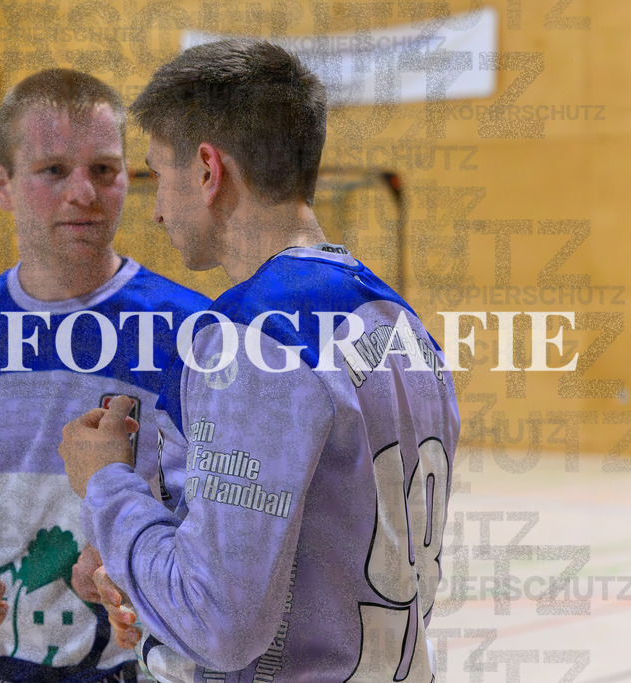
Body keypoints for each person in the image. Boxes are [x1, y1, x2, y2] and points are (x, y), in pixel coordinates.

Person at [59, 40, 460, 682]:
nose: (157, 208)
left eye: (161, 175)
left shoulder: (251, 338)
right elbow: (309, 561)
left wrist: (107, 485)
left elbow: (220, 627)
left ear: (209, 171)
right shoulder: (401, 325)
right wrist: (139, 564)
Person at [0, 68, 211, 683]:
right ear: (0, 184)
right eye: (53, 170)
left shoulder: (194, 335)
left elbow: (222, 517)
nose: (83, 192)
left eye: (104, 170)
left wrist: (133, 560)